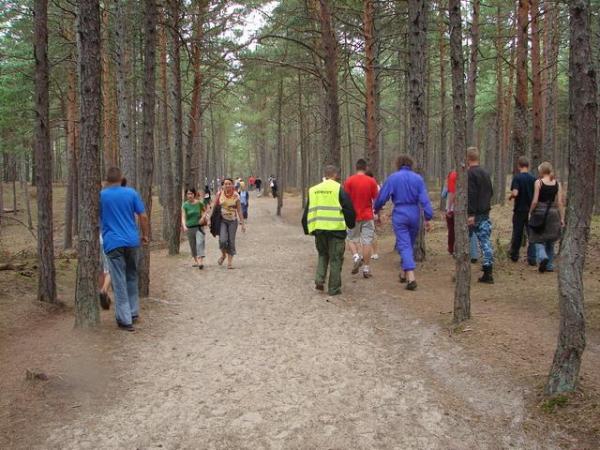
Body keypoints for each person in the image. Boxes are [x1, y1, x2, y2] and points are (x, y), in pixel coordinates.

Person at [374, 155, 433, 291]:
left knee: (405, 245)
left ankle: (411, 278)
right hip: (414, 214)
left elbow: (382, 197)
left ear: (398, 164)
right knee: (408, 244)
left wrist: (376, 209)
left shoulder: (393, 178)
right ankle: (404, 273)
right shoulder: (418, 179)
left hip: (400, 214)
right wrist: (428, 217)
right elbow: (424, 199)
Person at [100, 167, 149, 331]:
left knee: (119, 281)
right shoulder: (131, 193)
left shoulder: (101, 196)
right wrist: (145, 235)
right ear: (121, 178)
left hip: (112, 243)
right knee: (132, 277)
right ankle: (133, 312)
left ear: (107, 180)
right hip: (132, 241)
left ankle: (125, 319)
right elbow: (143, 216)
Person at [302, 165, 356, 296]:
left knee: (322, 255)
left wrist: (307, 228)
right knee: (335, 259)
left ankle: (319, 280)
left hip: (319, 230)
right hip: (336, 230)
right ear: (335, 175)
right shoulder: (339, 189)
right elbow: (348, 209)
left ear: (325, 174)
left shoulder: (314, 190)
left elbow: (307, 211)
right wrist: (351, 224)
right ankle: (334, 288)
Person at [344, 159, 379, 278]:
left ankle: (356, 257)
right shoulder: (371, 181)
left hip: (353, 215)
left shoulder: (349, 181)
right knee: (367, 242)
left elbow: (345, 199)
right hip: (367, 215)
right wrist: (377, 212)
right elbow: (376, 198)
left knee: (351, 239)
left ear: (356, 167)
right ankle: (366, 269)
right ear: (365, 168)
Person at [528, 162, 564, 273]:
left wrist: (530, 211)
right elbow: (560, 202)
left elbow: (535, 201)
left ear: (542, 171)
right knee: (550, 240)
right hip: (553, 213)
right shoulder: (557, 184)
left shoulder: (538, 182)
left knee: (537, 237)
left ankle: (543, 256)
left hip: (540, 212)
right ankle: (549, 265)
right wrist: (562, 218)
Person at [466, 147, 495, 284]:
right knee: (485, 242)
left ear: (468, 158)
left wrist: (471, 214)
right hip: (485, 212)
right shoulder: (485, 173)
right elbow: (491, 192)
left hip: (475, 214)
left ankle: (486, 272)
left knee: (468, 241)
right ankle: (488, 270)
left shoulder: (469, 174)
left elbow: (471, 194)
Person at [446, 170, 481, 262]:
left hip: (457, 208)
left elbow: (452, 193)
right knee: (471, 229)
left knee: (455, 230)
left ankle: (455, 250)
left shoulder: (453, 175)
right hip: (471, 207)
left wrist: (449, 208)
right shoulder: (473, 173)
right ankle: (473, 254)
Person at [509, 156, 537, 265]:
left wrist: (511, 196)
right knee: (531, 234)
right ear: (528, 166)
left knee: (518, 233)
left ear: (518, 166)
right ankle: (532, 258)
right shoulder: (533, 179)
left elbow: (515, 193)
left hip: (519, 210)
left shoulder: (517, 178)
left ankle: (514, 256)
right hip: (531, 210)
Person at [214, 178, 246, 269]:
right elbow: (214, 206)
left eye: (229, 184)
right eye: (226, 184)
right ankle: (223, 255)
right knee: (222, 240)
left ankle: (229, 263)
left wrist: (242, 223)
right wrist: (209, 220)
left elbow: (239, 210)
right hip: (222, 220)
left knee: (231, 241)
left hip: (233, 221)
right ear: (223, 185)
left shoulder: (236, 195)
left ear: (232, 185)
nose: (227, 185)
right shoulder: (219, 194)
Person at [181, 188, 208, 269]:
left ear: (194, 194)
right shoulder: (185, 205)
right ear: (186, 195)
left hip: (199, 227)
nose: (190, 195)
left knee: (200, 243)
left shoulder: (199, 203)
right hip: (190, 227)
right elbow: (183, 216)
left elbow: (205, 211)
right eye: (188, 194)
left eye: (191, 194)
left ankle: (200, 262)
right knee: (193, 245)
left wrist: (202, 218)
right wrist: (184, 226)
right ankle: (196, 261)